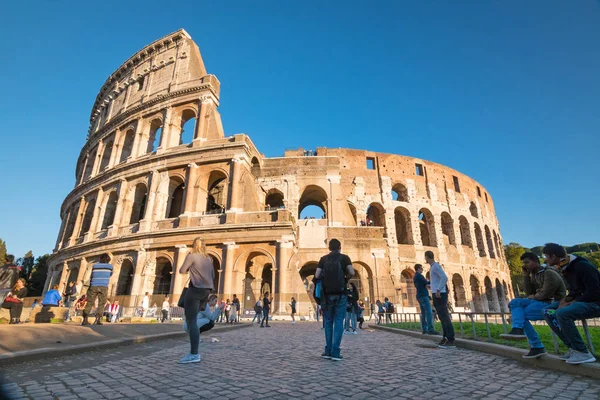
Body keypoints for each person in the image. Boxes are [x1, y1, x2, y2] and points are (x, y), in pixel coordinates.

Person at [542, 243, 600, 364]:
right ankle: (573, 348)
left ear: (553, 256)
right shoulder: (566, 268)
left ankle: (582, 352)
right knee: (548, 311)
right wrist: (566, 300)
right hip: (582, 301)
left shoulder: (582, 266)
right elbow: (576, 290)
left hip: (595, 303)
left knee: (563, 313)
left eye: (546, 256)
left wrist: (571, 303)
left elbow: (595, 292)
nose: (545, 259)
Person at [500, 252, 565, 359]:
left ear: (535, 261)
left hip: (553, 303)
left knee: (519, 316)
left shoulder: (549, 273)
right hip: (540, 301)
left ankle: (536, 346)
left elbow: (546, 294)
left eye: (527, 262)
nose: (525, 265)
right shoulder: (535, 274)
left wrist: (531, 297)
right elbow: (528, 293)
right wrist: (526, 276)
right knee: (515, 302)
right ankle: (517, 329)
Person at [316, 238, 355, 361]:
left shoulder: (323, 259)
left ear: (329, 248)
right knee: (339, 321)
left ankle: (327, 350)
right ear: (340, 247)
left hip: (327, 294)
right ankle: (335, 352)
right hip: (341, 293)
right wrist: (345, 278)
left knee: (328, 322)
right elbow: (352, 272)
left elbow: (317, 275)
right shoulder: (345, 258)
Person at [178, 237, 215, 364]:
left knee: (191, 322)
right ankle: (194, 352)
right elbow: (213, 276)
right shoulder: (209, 259)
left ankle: (194, 354)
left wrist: (191, 267)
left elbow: (182, 270)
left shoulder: (192, 255)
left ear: (194, 245)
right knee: (193, 320)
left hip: (194, 290)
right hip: (206, 291)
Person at [426, 251, 455, 348]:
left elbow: (444, 277)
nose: (425, 259)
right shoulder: (433, 267)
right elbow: (437, 280)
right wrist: (431, 286)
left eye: (425, 257)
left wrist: (438, 289)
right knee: (442, 317)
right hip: (436, 293)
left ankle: (450, 339)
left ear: (427, 257)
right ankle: (445, 337)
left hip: (440, 295)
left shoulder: (436, 266)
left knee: (445, 317)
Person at [82, 253, 113, 326]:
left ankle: (85, 320)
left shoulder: (95, 266)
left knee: (90, 302)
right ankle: (98, 319)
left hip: (93, 285)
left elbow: (92, 275)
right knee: (101, 303)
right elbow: (110, 274)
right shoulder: (110, 267)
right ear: (108, 259)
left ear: (100, 259)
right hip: (103, 286)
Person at [413, 264, 438, 335]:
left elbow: (423, 284)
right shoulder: (419, 276)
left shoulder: (415, 277)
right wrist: (434, 280)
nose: (422, 269)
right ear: (418, 269)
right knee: (429, 312)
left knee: (423, 313)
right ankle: (430, 329)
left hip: (419, 295)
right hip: (423, 295)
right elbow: (426, 282)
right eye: (421, 268)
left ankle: (424, 329)